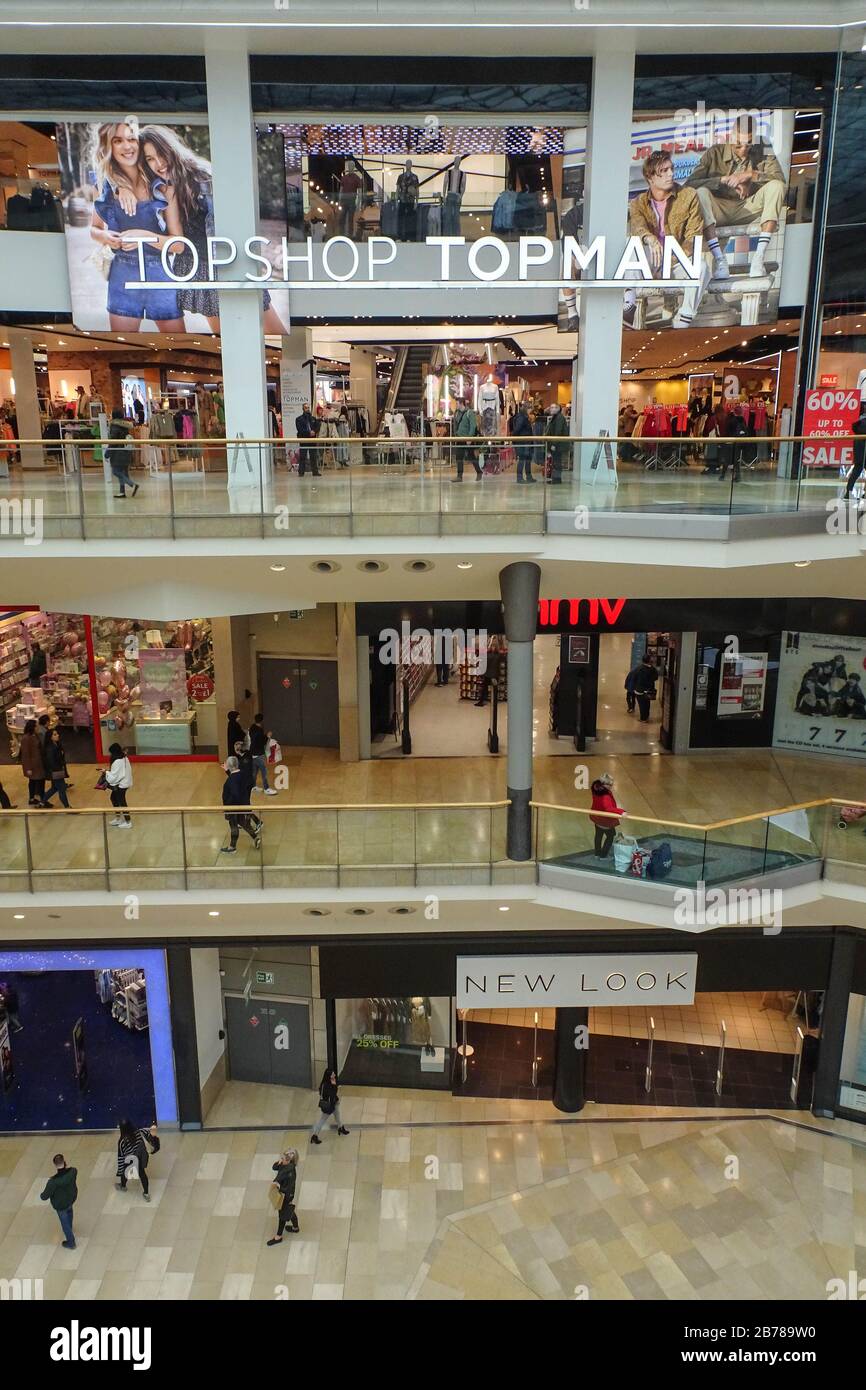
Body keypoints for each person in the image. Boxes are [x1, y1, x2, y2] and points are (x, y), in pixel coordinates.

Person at [139, 124, 288, 335]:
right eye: (150, 159)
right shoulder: (162, 188)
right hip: (201, 270)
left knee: (274, 334)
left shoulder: (203, 175)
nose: (159, 163)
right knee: (228, 342)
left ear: (170, 148)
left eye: (160, 154)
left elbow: (238, 218)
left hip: (228, 264)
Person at [88, 117, 185, 334]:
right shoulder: (104, 186)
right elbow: (93, 229)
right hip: (122, 274)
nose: (127, 146)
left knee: (180, 344)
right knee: (123, 348)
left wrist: (143, 235)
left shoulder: (163, 188)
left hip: (160, 272)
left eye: (132, 139)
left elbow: (179, 245)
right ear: (108, 146)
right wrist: (106, 238)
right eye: (118, 140)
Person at [685, 115, 786, 280]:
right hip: (719, 209)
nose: (743, 149)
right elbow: (689, 185)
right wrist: (722, 181)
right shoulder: (714, 152)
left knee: (777, 187)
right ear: (731, 135)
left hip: (748, 207)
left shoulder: (763, 148)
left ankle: (758, 258)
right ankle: (720, 258)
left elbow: (780, 180)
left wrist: (750, 176)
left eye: (749, 144)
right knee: (700, 193)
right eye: (738, 143)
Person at [626, 150, 711, 328]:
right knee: (633, 245)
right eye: (663, 171)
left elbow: (694, 237)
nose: (670, 174)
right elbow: (637, 227)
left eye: (670, 169)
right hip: (649, 265)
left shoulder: (688, 196)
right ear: (651, 178)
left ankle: (685, 316)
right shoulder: (638, 203)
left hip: (674, 264)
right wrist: (650, 238)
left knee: (702, 268)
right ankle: (629, 305)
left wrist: (670, 260)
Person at [221, 755, 262, 853]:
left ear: (230, 766)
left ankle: (232, 847)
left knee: (233, 825)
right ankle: (255, 838)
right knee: (243, 823)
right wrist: (228, 771)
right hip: (243, 805)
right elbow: (237, 779)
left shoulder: (231, 780)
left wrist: (228, 804)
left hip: (233, 807)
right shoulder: (242, 774)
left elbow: (235, 791)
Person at [40, 1153, 78, 1249]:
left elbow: (44, 1196)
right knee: (70, 1213)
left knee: (64, 1223)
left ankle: (71, 1242)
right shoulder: (73, 1171)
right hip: (70, 1199)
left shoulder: (52, 1182)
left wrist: (42, 1194)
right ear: (64, 1162)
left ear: (55, 1165)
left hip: (60, 1205)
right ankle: (70, 1228)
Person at [116, 1118, 159, 1201]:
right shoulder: (139, 1132)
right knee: (142, 1174)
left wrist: (120, 1171)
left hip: (131, 1160)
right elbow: (149, 1134)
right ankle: (146, 1193)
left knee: (125, 1173)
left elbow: (121, 1157)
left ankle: (123, 1186)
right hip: (141, 1156)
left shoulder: (122, 1141)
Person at [267, 1149, 300, 1244]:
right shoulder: (286, 1166)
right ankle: (295, 1227)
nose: (281, 1159)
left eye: (283, 1158)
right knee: (289, 1210)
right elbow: (274, 1167)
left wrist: (276, 1186)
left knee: (282, 1215)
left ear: (289, 1161)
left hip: (286, 1195)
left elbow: (283, 1184)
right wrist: (280, 1162)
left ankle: (278, 1236)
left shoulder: (289, 1171)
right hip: (287, 1193)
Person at [590, 773, 625, 859]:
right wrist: (621, 812)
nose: (611, 786)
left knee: (598, 835)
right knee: (611, 835)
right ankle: (603, 855)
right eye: (609, 784)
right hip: (605, 820)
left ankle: (597, 854)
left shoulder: (596, 789)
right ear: (604, 784)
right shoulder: (605, 796)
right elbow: (608, 808)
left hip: (596, 816)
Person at [310, 1068, 350, 1144]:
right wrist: (335, 1086)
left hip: (334, 1103)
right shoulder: (327, 1085)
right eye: (332, 1074)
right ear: (329, 1076)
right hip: (329, 1106)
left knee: (338, 1115)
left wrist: (334, 1085)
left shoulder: (326, 1083)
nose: (334, 1075)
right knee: (322, 1120)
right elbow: (332, 1094)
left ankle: (340, 1128)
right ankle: (314, 1136)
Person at [107, 409, 139, 498]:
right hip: (126, 451)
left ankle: (132, 485)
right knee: (124, 472)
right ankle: (122, 492)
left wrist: (108, 452)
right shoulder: (125, 425)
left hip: (118, 452)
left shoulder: (114, 426)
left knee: (116, 471)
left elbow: (113, 441)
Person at [20, 717, 49, 807]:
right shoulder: (26, 738)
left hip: (38, 763)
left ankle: (33, 798)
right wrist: (28, 768)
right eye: (36, 726)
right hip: (33, 765)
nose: (38, 728)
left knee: (34, 781)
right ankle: (42, 800)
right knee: (39, 781)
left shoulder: (35, 735)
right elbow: (25, 754)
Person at [451, 399, 482, 481]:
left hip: (467, 439)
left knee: (471, 456)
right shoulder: (457, 413)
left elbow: (473, 426)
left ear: (461, 404)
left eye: (457, 403)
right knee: (459, 457)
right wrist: (455, 435)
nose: (456, 405)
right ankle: (459, 476)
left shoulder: (469, 413)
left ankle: (479, 472)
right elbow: (456, 424)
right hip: (459, 438)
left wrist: (470, 438)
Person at [248, 713, 277, 795]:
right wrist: (268, 736)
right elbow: (262, 742)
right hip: (259, 753)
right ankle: (266, 788)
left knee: (254, 771)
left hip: (252, 752)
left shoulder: (252, 727)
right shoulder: (259, 730)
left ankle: (253, 786)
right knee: (264, 772)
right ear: (262, 721)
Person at [105, 741, 133, 826]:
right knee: (114, 798)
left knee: (121, 801)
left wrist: (106, 772)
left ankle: (128, 822)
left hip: (122, 784)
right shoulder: (124, 757)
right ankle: (118, 818)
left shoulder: (117, 761)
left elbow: (115, 776)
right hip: (125, 782)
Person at [475, 633, 506, 707]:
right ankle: (494, 701)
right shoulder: (499, 655)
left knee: (484, 688)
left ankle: (482, 701)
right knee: (494, 688)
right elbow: (503, 659)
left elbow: (482, 660)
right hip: (495, 674)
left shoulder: (488, 654)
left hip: (488, 674)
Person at [43, 728, 71, 808]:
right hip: (56, 771)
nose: (57, 735)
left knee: (54, 788)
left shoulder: (57, 745)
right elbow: (51, 762)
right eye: (55, 734)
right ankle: (67, 807)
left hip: (57, 770)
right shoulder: (50, 748)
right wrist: (59, 770)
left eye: (57, 734)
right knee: (62, 789)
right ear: (50, 737)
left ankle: (42, 801)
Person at [845, 402, 866, 500]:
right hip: (863, 451)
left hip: (859, 452)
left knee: (856, 471)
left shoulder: (859, 423)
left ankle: (848, 492)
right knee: (857, 470)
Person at [510, 400, 535, 483]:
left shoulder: (523, 416)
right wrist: (514, 438)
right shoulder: (522, 417)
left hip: (525, 442)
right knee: (522, 459)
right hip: (523, 442)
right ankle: (520, 478)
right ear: (527, 408)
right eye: (530, 409)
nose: (531, 411)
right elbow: (517, 429)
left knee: (527, 459)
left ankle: (528, 476)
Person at [338, 158, 363, 238]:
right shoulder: (344, 178)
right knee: (342, 217)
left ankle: (350, 235)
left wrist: (358, 203)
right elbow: (341, 190)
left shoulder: (357, 178)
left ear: (354, 167)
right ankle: (341, 234)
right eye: (349, 165)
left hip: (352, 201)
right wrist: (339, 200)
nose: (350, 167)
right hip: (344, 200)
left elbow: (359, 192)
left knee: (350, 219)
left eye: (351, 165)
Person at [547, 403, 570, 483]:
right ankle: (555, 478)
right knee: (556, 461)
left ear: (558, 409)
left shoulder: (559, 418)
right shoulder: (555, 417)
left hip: (558, 444)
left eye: (554, 407)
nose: (551, 409)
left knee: (557, 462)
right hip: (557, 443)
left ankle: (557, 479)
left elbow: (558, 432)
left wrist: (554, 444)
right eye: (551, 407)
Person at [295, 403, 321, 478]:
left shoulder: (313, 418)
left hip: (312, 440)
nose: (308, 409)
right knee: (303, 456)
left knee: (313, 456)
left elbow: (317, 426)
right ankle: (301, 472)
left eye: (308, 408)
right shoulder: (298, 419)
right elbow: (299, 429)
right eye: (306, 408)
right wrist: (309, 432)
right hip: (303, 440)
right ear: (303, 409)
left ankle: (315, 472)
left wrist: (314, 432)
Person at [632, 656, 658, 722]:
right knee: (647, 704)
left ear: (642, 660)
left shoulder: (639, 669)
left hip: (640, 690)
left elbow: (635, 678)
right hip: (649, 690)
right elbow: (656, 677)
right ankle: (646, 717)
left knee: (642, 705)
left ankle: (643, 718)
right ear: (649, 661)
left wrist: (634, 687)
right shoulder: (652, 669)